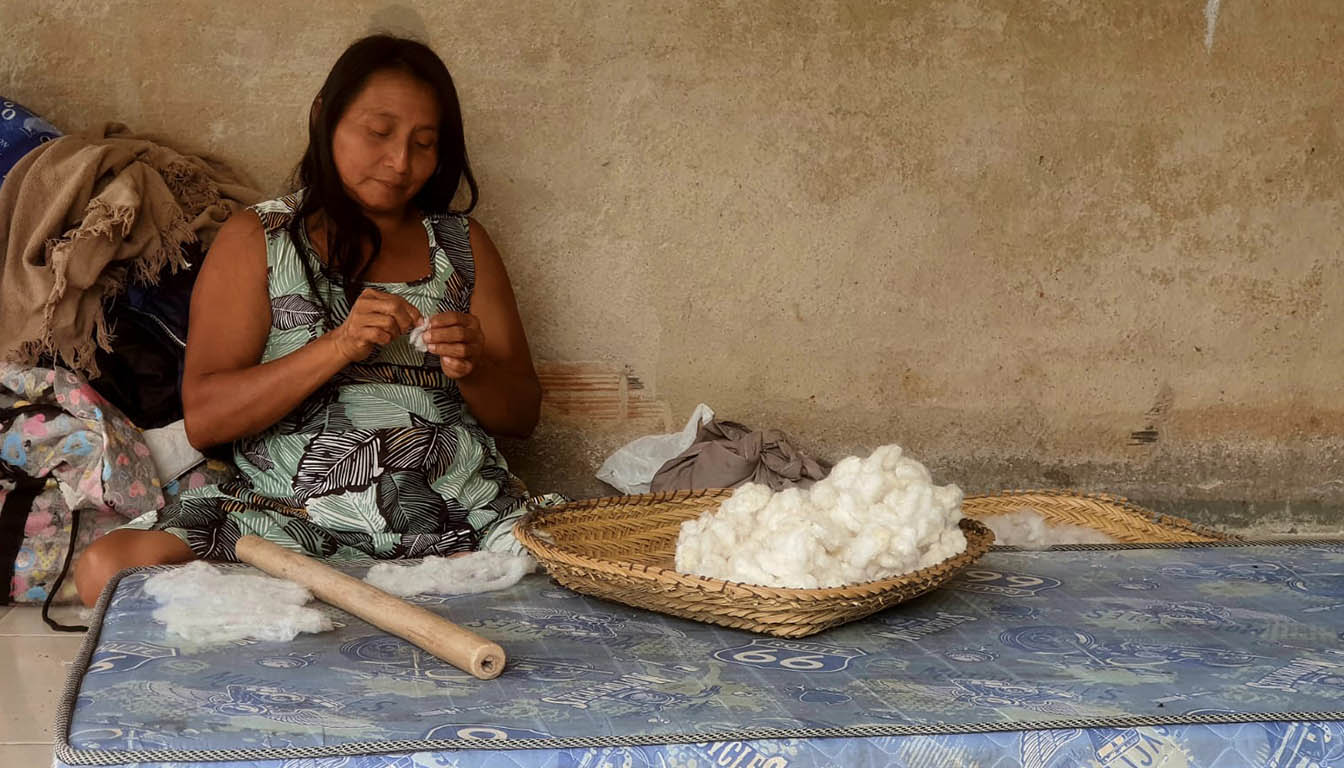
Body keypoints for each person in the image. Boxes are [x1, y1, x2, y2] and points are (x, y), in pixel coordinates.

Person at [74, 34, 543, 607]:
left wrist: (472, 367)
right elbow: (207, 418)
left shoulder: (461, 245)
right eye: (379, 133)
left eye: (424, 144)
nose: (400, 163)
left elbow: (521, 415)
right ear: (324, 116)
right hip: (290, 517)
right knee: (107, 566)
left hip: (451, 512)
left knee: (578, 572)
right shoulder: (261, 238)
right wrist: (339, 344)